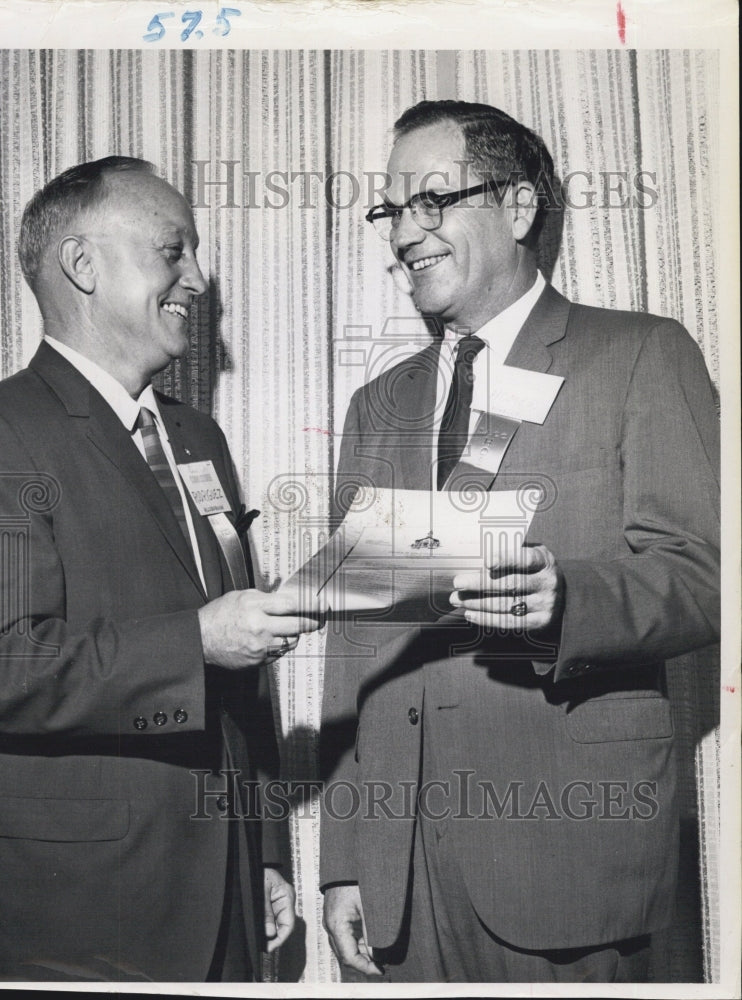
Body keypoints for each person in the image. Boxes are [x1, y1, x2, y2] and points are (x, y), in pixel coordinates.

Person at [320, 101, 720, 983]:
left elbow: (703, 575)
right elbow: (356, 640)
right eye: (391, 211)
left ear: (520, 208)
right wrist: (345, 859)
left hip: (567, 855)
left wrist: (570, 602)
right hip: (400, 872)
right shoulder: (375, 407)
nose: (402, 235)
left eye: (431, 201)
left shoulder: (640, 355)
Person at [0, 156, 317, 982]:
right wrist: (196, 640)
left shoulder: (196, 439)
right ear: (83, 265)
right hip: (78, 910)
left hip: (225, 894)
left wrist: (263, 850)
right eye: (173, 250)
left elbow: (240, 676)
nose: (198, 276)